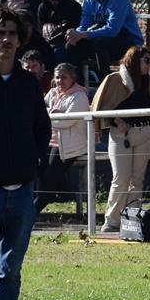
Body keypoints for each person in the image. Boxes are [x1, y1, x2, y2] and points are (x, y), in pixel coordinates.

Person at [0, 7, 51, 300]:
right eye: (0, 33)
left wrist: (35, 161)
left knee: (10, 271)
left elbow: (42, 128)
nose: (6, 39)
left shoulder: (28, 85)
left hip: (21, 192)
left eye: (12, 33)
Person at [91, 46, 150, 232]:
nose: (149, 65)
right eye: (146, 60)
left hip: (144, 133)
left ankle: (132, 221)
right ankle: (111, 221)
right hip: (121, 135)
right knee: (120, 178)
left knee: (137, 179)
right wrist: (117, 119)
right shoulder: (115, 79)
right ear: (135, 60)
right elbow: (101, 106)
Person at [37, 62, 90, 214]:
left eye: (64, 77)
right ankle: (64, 194)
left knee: (49, 180)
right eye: (57, 77)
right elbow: (39, 111)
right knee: (40, 168)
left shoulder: (79, 96)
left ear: (72, 78)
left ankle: (31, 213)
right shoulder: (53, 93)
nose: (60, 81)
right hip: (48, 141)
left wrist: (49, 115)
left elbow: (67, 122)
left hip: (68, 145)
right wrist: (55, 112)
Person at [67, 0, 143, 71]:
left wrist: (84, 34)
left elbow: (112, 30)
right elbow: (84, 25)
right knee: (71, 45)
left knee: (99, 42)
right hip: (105, 42)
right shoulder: (88, 1)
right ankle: (79, 83)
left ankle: (104, 83)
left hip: (129, 43)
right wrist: (75, 34)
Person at [37, 0, 82, 67]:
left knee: (59, 52)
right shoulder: (43, 8)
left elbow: (75, 30)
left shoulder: (73, 6)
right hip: (48, 43)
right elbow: (41, 30)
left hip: (70, 44)